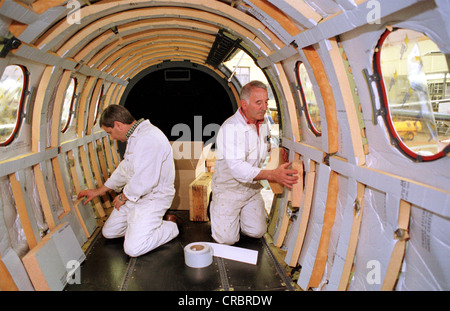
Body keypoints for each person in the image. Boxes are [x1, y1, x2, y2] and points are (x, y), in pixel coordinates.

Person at [77, 105, 179, 257]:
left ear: (118, 124)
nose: (111, 137)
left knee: (133, 249)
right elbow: (125, 169)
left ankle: (172, 226)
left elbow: (145, 181)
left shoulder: (149, 138)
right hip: (135, 195)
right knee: (109, 232)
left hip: (153, 197)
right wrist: (99, 191)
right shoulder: (135, 137)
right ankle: (143, 225)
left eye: (110, 132)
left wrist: (122, 197)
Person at [210, 80, 298, 245]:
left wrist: (277, 152)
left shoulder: (263, 123)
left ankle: (240, 215)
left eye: (266, 102)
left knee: (257, 232)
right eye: (258, 103)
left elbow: (263, 145)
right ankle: (216, 206)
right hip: (229, 191)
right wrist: (272, 174)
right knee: (227, 239)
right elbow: (238, 169)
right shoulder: (230, 129)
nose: (264, 107)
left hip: (251, 190)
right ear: (244, 104)